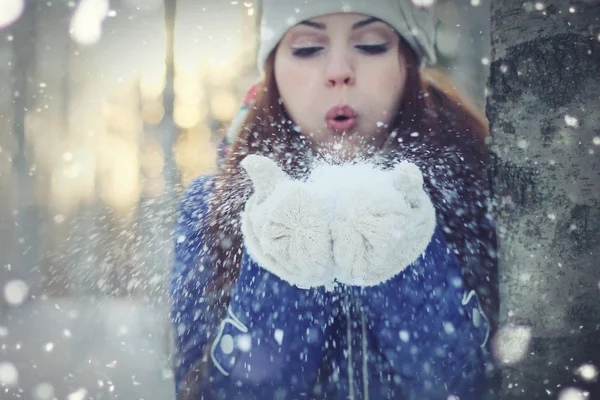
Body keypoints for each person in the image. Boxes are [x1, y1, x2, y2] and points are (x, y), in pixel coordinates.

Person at [170, 0, 498, 399]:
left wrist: (408, 262)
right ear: (273, 69)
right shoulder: (210, 205)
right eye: (308, 48)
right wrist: (282, 275)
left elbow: (486, 386)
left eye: (372, 44)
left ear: (407, 64)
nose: (339, 71)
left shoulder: (477, 187)